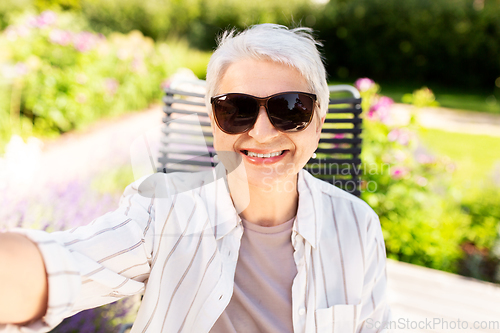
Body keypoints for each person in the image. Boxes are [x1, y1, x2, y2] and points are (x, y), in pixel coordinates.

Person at [0, 24, 391, 332]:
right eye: (237, 109)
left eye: (290, 109)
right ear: (213, 123)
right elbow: (62, 265)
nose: (262, 132)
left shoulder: (357, 226)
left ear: (318, 122)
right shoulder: (162, 210)